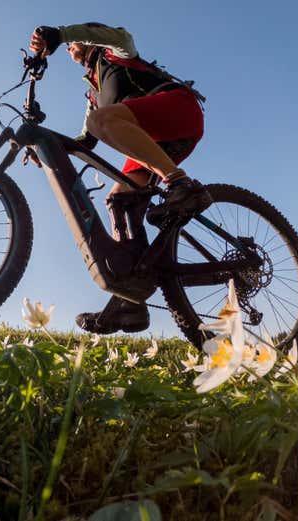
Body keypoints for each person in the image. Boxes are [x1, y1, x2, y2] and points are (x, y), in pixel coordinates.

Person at [28, 23, 212, 335]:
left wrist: (60, 34)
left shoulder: (116, 53)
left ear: (86, 43)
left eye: (74, 44)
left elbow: (119, 35)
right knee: (119, 199)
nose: (71, 49)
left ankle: (181, 184)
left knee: (102, 120)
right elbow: (85, 141)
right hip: (156, 142)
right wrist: (44, 150)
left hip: (178, 110)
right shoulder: (95, 94)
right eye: (69, 44)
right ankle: (131, 300)